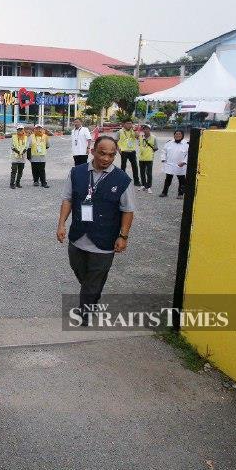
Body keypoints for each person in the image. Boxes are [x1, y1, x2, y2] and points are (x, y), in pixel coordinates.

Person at [56, 136, 135, 322]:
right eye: (102, 153)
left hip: (105, 240)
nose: (106, 158)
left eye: (111, 155)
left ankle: (85, 312)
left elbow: (128, 210)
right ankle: (93, 294)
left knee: (94, 278)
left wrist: (123, 236)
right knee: (82, 273)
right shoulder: (77, 172)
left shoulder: (123, 180)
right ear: (92, 151)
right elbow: (67, 199)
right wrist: (61, 224)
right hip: (78, 236)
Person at [160, 129, 189, 198]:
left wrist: (184, 162)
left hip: (181, 165)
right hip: (170, 164)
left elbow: (189, 154)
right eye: (176, 134)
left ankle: (180, 194)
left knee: (182, 180)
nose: (178, 135)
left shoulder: (187, 144)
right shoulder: (169, 143)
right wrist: (163, 159)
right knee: (168, 179)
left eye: (179, 134)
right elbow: (164, 151)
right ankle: (164, 192)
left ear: (182, 135)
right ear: (174, 135)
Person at [115, 120, 141, 186]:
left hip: (132, 151)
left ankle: (136, 181)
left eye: (130, 123)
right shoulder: (120, 132)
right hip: (123, 151)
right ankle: (122, 180)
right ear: (124, 124)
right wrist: (118, 150)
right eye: (128, 123)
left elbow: (138, 137)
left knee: (135, 166)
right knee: (123, 166)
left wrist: (135, 130)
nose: (129, 125)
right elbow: (115, 141)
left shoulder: (133, 131)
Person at [137, 125, 158, 193]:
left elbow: (156, 148)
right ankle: (143, 185)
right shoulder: (141, 137)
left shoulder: (153, 137)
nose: (145, 130)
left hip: (149, 158)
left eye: (147, 129)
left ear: (149, 129)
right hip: (141, 158)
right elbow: (139, 145)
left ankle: (148, 186)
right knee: (142, 172)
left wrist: (150, 151)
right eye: (144, 129)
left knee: (149, 173)